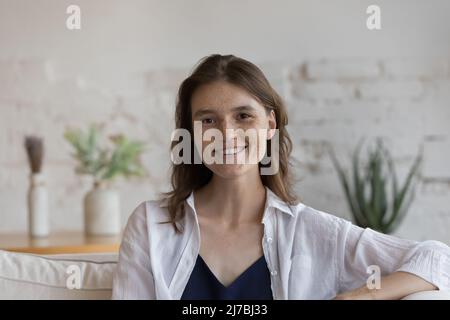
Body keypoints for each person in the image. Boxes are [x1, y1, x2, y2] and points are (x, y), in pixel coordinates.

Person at [112, 54, 450, 300]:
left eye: (243, 116)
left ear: (270, 126)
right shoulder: (151, 225)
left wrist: (358, 296)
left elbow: (439, 260)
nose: (226, 134)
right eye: (209, 120)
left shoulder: (315, 233)